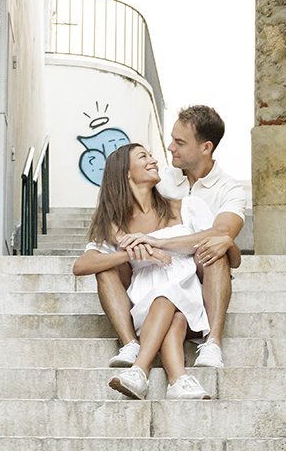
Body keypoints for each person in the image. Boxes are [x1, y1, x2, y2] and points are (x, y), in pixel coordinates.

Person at [99, 105, 245, 370]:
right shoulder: (160, 178)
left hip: (196, 276)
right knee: (106, 262)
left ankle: (212, 343)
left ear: (206, 148)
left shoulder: (229, 190)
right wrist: (124, 240)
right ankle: (131, 343)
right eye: (171, 139)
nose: (169, 148)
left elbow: (222, 234)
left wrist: (155, 241)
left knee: (215, 249)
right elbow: (115, 207)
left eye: (179, 142)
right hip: (151, 274)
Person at [72, 144, 215, 400]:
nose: (154, 160)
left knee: (170, 298)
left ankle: (139, 370)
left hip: (185, 289)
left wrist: (159, 245)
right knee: (173, 315)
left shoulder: (186, 206)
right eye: (144, 156)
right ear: (126, 173)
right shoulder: (115, 223)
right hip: (144, 300)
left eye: (151, 155)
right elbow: (80, 266)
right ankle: (178, 380)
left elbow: (216, 239)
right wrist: (133, 252)